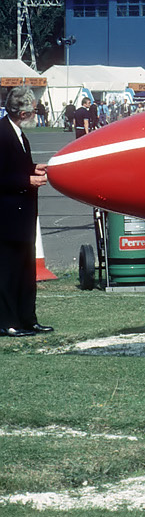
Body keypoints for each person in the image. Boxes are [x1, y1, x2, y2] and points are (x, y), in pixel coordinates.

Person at [0, 86, 50, 337]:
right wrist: (26, 181)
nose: (34, 116)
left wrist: (33, 168)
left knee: (25, 269)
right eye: (32, 111)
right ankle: (7, 321)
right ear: (21, 112)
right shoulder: (2, 134)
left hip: (23, 216)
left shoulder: (19, 135)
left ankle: (27, 318)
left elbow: (15, 166)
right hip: (7, 217)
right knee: (7, 271)